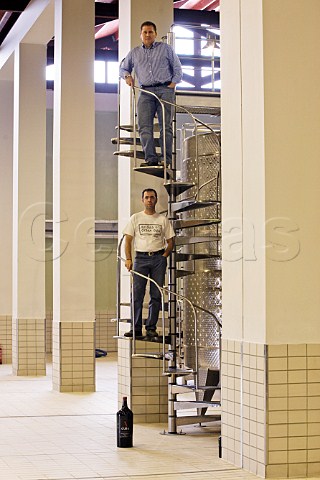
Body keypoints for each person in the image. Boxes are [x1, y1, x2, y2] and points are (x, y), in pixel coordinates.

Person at [119, 21, 182, 167]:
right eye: (145, 32)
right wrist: (127, 76)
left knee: (165, 126)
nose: (147, 35)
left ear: (155, 34)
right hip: (145, 92)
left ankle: (166, 159)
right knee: (144, 126)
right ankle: (151, 158)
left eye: (150, 32)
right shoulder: (134, 53)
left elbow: (177, 69)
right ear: (140, 35)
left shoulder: (166, 48)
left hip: (165, 90)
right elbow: (123, 68)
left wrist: (172, 84)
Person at [123, 188, 175, 338]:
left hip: (158, 259)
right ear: (142, 200)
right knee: (137, 294)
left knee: (156, 294)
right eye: (146, 197)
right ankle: (136, 328)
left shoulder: (162, 220)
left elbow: (171, 241)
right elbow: (128, 240)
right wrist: (128, 258)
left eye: (152, 197)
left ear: (156, 199)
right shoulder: (136, 218)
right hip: (140, 258)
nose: (149, 200)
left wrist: (164, 256)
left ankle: (151, 328)